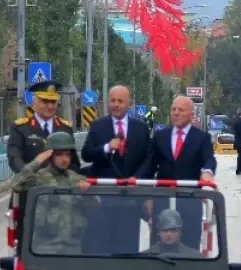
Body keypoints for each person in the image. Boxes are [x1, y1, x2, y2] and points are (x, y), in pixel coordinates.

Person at [81, 86, 153, 252]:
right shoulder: (98, 126)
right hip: (103, 198)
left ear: (129, 104)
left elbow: (149, 158)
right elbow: (86, 154)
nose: (116, 105)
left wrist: (138, 178)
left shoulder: (140, 128)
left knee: (127, 246)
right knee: (102, 244)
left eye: (120, 101)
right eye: (113, 100)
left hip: (131, 197)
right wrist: (106, 148)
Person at [149, 96, 216, 249]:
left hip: (190, 199)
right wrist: (146, 194)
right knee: (158, 245)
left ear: (191, 115)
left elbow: (209, 159)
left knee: (190, 243)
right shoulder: (160, 136)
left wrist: (207, 172)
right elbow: (150, 164)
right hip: (163, 199)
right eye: (173, 109)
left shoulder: (201, 138)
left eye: (181, 110)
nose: (176, 113)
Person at [12, 133, 93, 253]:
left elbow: (95, 207)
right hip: (45, 245)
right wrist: (37, 161)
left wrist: (88, 194)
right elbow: (16, 184)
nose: (64, 159)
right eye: (59, 155)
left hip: (73, 245)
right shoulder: (39, 178)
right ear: (50, 156)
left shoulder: (77, 179)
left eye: (67, 155)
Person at [7, 80, 76, 173]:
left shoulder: (65, 128)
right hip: (30, 183)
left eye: (53, 102)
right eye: (45, 101)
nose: (50, 106)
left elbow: (73, 161)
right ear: (34, 102)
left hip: (60, 184)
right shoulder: (20, 128)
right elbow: (14, 158)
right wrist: (28, 177)